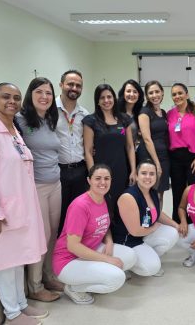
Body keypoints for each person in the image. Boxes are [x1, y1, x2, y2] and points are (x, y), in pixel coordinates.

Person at [0, 83, 48, 325]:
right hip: (0, 214)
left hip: (20, 209)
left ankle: (22, 304)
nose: (11, 101)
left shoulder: (14, 130)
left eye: (16, 97)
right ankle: (12, 314)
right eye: (5, 97)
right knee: (4, 263)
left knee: (18, 259)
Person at [52, 164, 137, 305]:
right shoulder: (80, 206)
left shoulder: (105, 198)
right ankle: (74, 288)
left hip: (91, 250)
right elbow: (73, 246)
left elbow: (104, 225)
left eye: (106, 178)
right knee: (116, 279)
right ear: (89, 180)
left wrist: (109, 242)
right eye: (98, 178)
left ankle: (98, 275)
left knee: (131, 256)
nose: (102, 182)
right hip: (68, 261)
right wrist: (106, 259)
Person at [15, 77, 63, 303]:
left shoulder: (50, 119)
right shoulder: (20, 120)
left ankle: (48, 275)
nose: (44, 96)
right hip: (36, 186)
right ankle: (34, 286)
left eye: (48, 93)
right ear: (30, 94)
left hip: (56, 183)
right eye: (39, 92)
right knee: (40, 236)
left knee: (53, 232)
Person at [115, 160, 180, 277]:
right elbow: (135, 231)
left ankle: (146, 257)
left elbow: (157, 214)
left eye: (152, 174)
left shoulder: (152, 192)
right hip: (128, 241)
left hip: (143, 235)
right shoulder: (128, 197)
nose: (148, 177)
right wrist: (154, 227)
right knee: (152, 268)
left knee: (173, 233)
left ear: (156, 176)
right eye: (144, 173)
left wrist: (175, 225)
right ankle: (127, 262)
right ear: (136, 175)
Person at [83, 84, 137, 219]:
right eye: (102, 98)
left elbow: (130, 147)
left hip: (121, 170)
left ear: (114, 98)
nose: (106, 100)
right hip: (101, 172)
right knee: (103, 204)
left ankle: (119, 234)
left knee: (121, 203)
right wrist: (93, 176)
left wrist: (133, 170)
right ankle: (105, 234)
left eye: (109, 96)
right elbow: (88, 151)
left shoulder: (124, 119)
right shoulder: (91, 120)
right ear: (97, 101)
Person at [167, 83, 195, 223]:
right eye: (174, 94)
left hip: (193, 158)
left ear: (187, 94)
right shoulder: (170, 114)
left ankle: (193, 222)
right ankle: (177, 221)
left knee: (193, 191)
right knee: (177, 191)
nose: (177, 96)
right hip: (175, 158)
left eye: (180, 93)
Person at [56, 70, 89, 235]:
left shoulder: (85, 114)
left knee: (78, 213)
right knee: (59, 215)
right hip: (57, 171)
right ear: (61, 85)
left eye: (78, 85)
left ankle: (76, 249)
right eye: (70, 84)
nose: (74, 88)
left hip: (80, 170)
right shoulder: (49, 111)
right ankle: (59, 254)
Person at [138, 80, 170, 206]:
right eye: (150, 93)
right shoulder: (144, 113)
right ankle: (148, 221)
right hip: (149, 157)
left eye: (157, 91)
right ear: (147, 96)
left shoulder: (164, 112)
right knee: (150, 191)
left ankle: (158, 221)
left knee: (160, 192)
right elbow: (146, 139)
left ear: (162, 93)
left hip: (164, 156)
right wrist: (157, 164)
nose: (154, 95)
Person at [118, 79, 144, 148]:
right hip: (118, 151)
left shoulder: (141, 114)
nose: (131, 94)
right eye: (128, 91)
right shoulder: (116, 112)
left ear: (139, 95)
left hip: (133, 152)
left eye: (135, 92)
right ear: (123, 93)